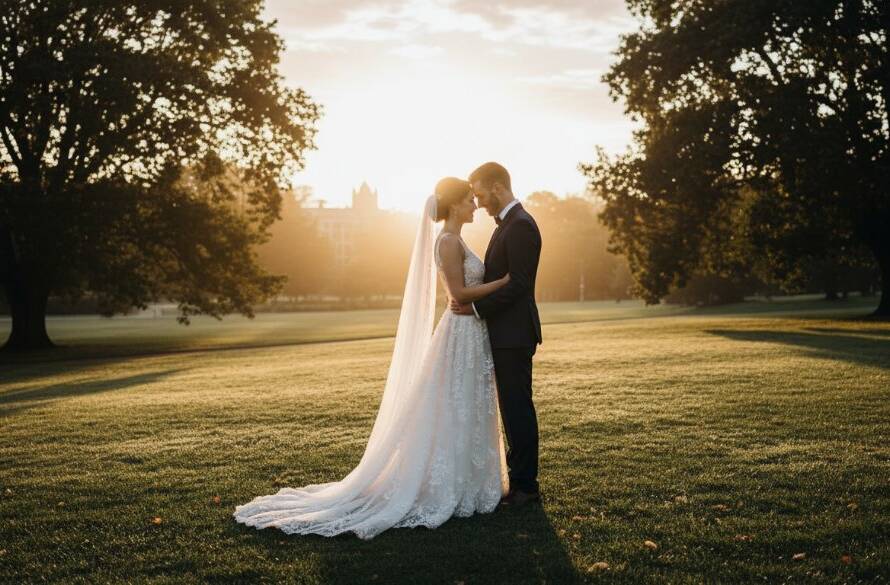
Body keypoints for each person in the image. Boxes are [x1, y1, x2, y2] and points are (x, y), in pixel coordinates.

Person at [234, 177, 511, 539]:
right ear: (456, 204)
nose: (476, 205)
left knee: (468, 403)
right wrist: (503, 283)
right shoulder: (446, 242)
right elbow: (458, 292)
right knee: (456, 403)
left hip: (470, 331)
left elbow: (461, 295)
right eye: (470, 200)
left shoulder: (456, 239)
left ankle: (473, 481)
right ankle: (454, 484)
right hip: (460, 334)